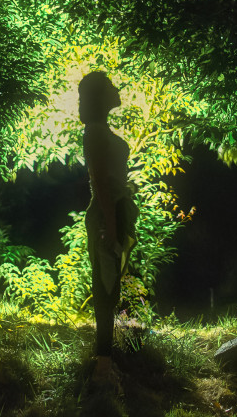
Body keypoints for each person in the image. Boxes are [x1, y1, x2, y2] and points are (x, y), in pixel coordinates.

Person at [79, 70, 137, 377]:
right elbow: (99, 180)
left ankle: (108, 358)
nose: (117, 90)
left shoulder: (102, 130)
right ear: (101, 96)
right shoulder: (94, 131)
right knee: (105, 286)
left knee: (112, 287)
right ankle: (103, 364)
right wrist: (111, 223)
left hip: (115, 211)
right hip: (106, 214)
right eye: (111, 87)